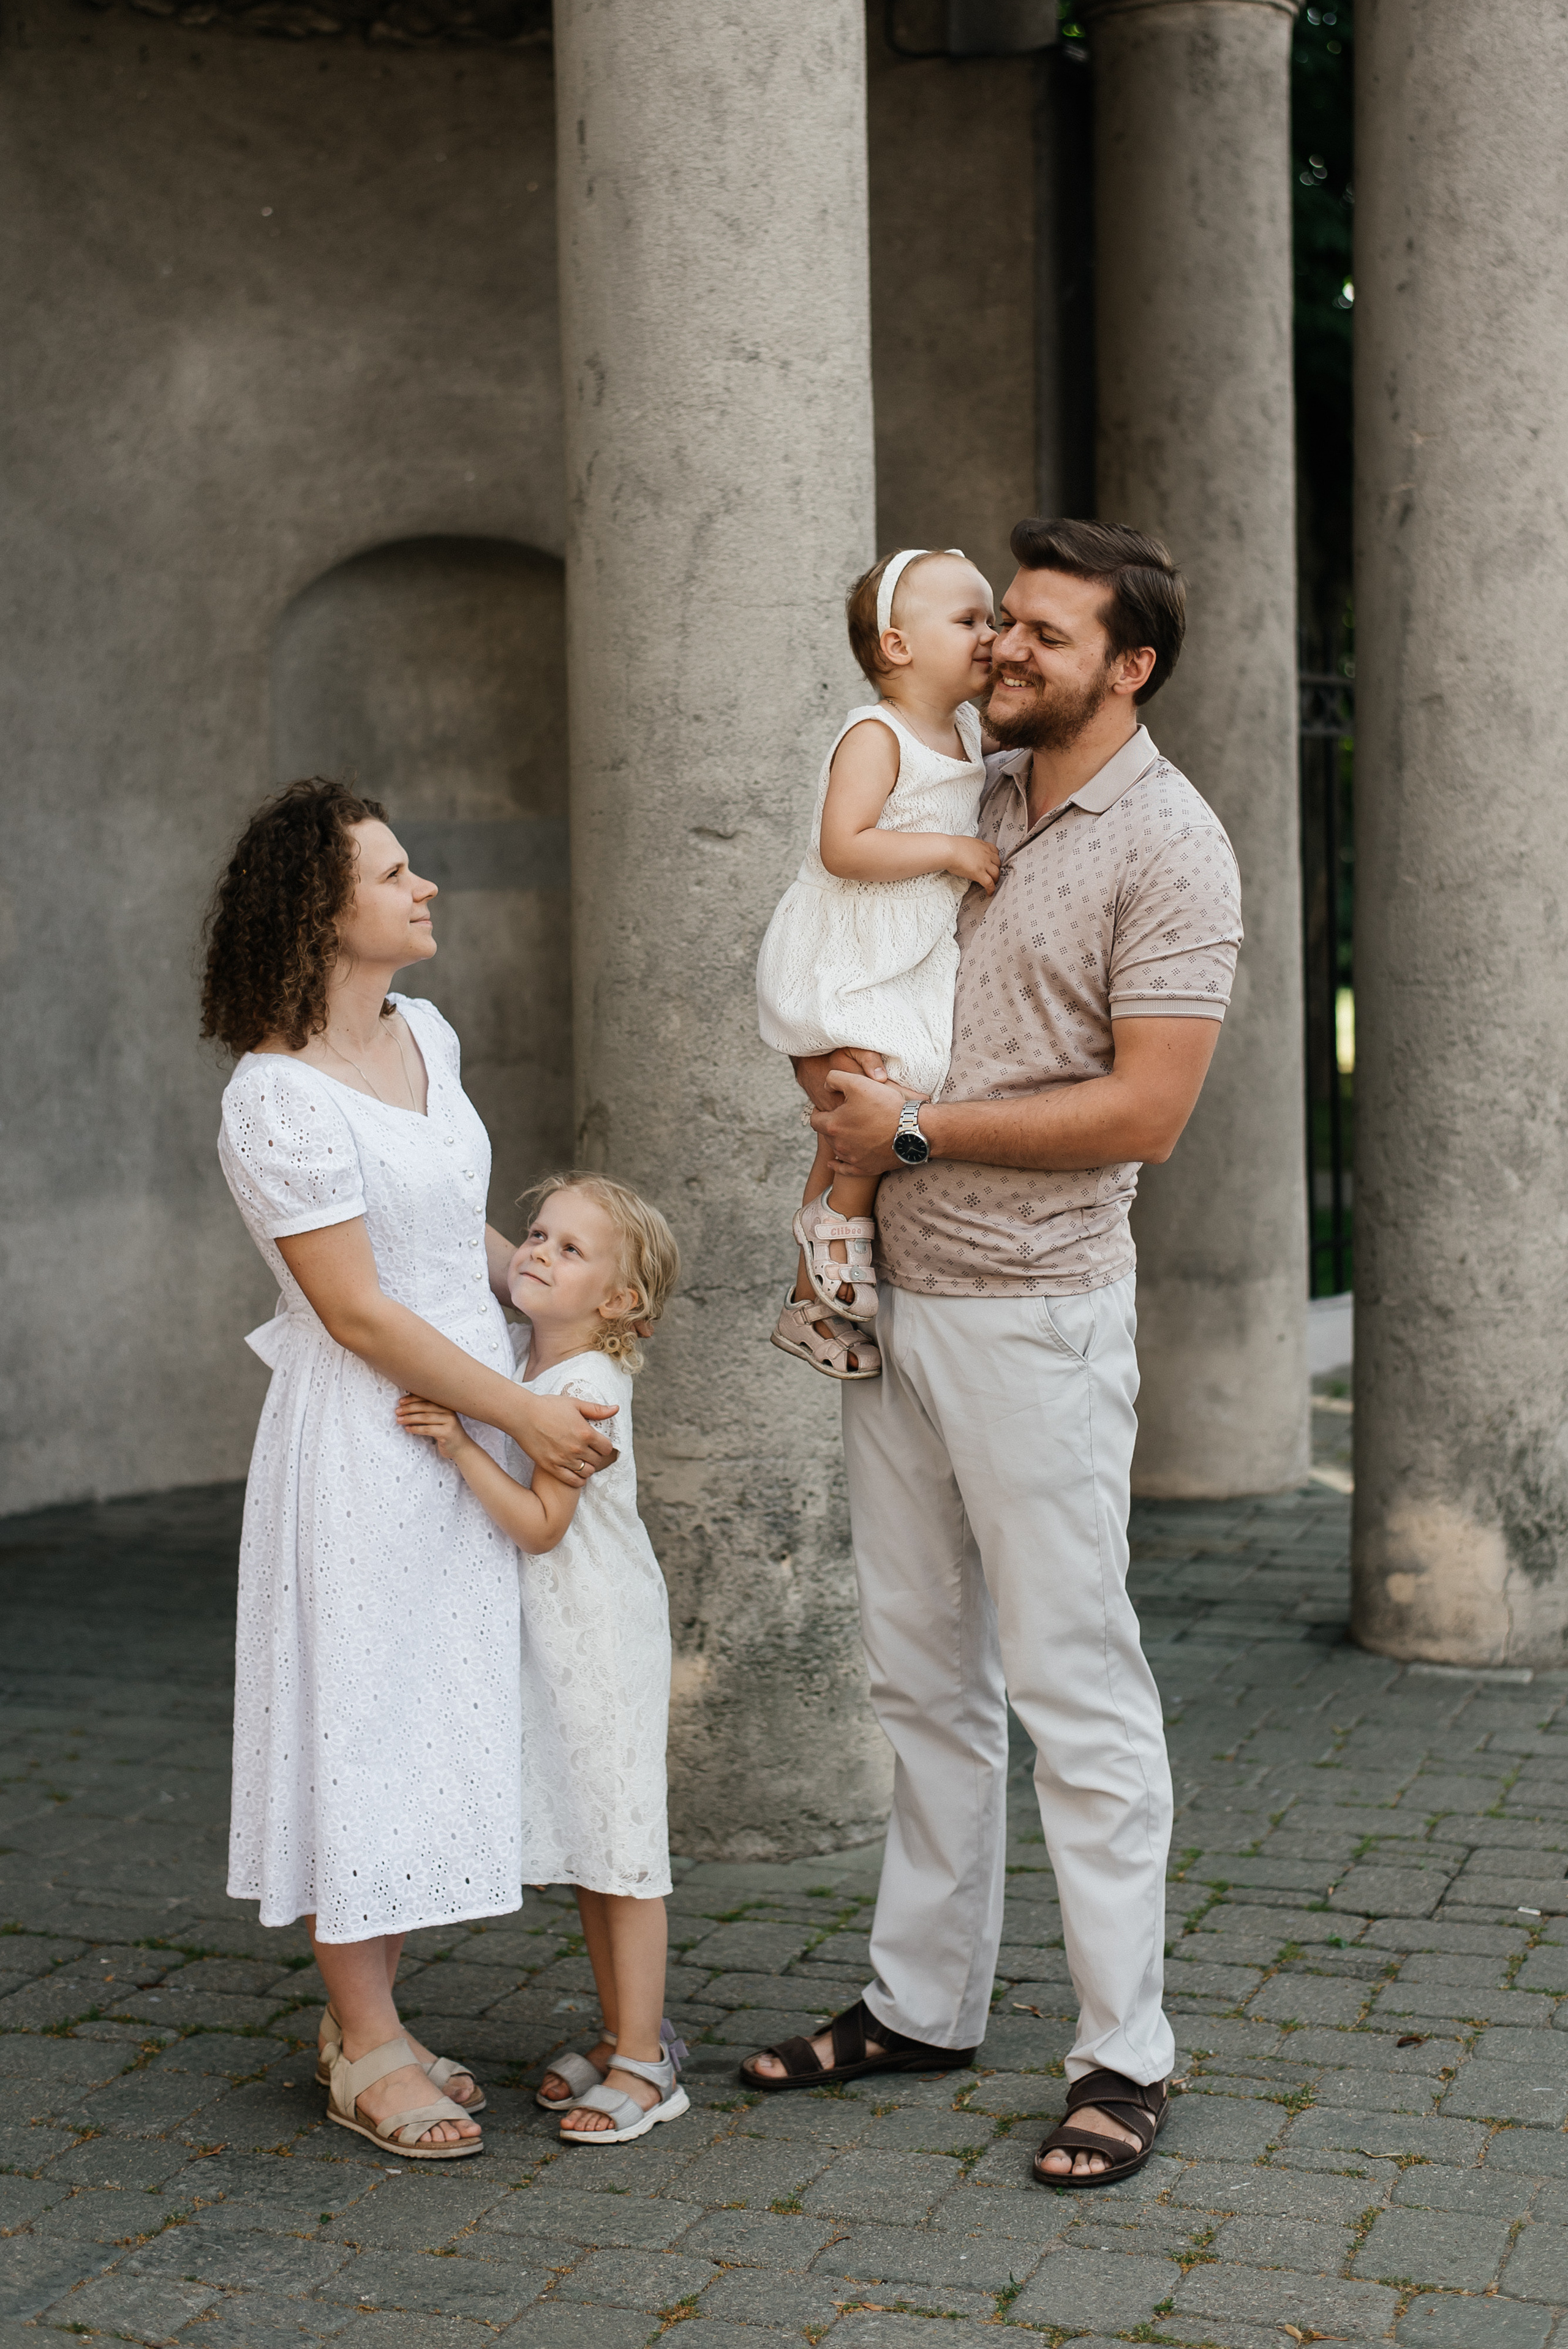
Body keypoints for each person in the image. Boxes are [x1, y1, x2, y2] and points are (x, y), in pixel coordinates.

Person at [741, 520, 1244, 2190]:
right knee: (918, 1674)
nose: (1007, 649)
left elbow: (1147, 1110)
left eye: (1045, 633)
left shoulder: (1172, 845)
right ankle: (921, 2002)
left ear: (1131, 665)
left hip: (1035, 1309)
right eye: (1002, 621)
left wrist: (913, 1132)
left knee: (1072, 1687)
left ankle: (1124, 2054)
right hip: (895, 1294)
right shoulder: (968, 788)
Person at [204, 779, 620, 2162]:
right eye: (393, 873)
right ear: (319, 912)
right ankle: (366, 2041)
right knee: (362, 1718)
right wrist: (524, 1413)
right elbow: (359, 1312)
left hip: (476, 1412)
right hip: (371, 1436)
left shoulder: (425, 1031)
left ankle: (371, 2017)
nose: (423, 886)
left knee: (436, 1709)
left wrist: (564, 1323)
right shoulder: (272, 1100)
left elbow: (453, 1239)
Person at [396, 1173, 687, 2146]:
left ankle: (648, 2064)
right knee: (595, 1850)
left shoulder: (582, 1389)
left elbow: (538, 1527)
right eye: (536, 1234)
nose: (536, 1253)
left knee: (625, 1856)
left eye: (570, 1249)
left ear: (620, 1301)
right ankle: (623, 2035)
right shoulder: (530, 1361)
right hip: (564, 1641)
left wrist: (458, 1445)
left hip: (600, 1639)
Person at [755, 548, 998, 1380]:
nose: (991, 635)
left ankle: (806, 1306)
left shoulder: (968, 730)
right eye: (968, 620)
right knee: (870, 1093)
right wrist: (951, 850)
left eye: (992, 618)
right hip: (846, 951)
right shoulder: (876, 734)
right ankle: (836, 1234)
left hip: (907, 957)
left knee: (881, 1103)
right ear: (897, 646)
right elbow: (845, 845)